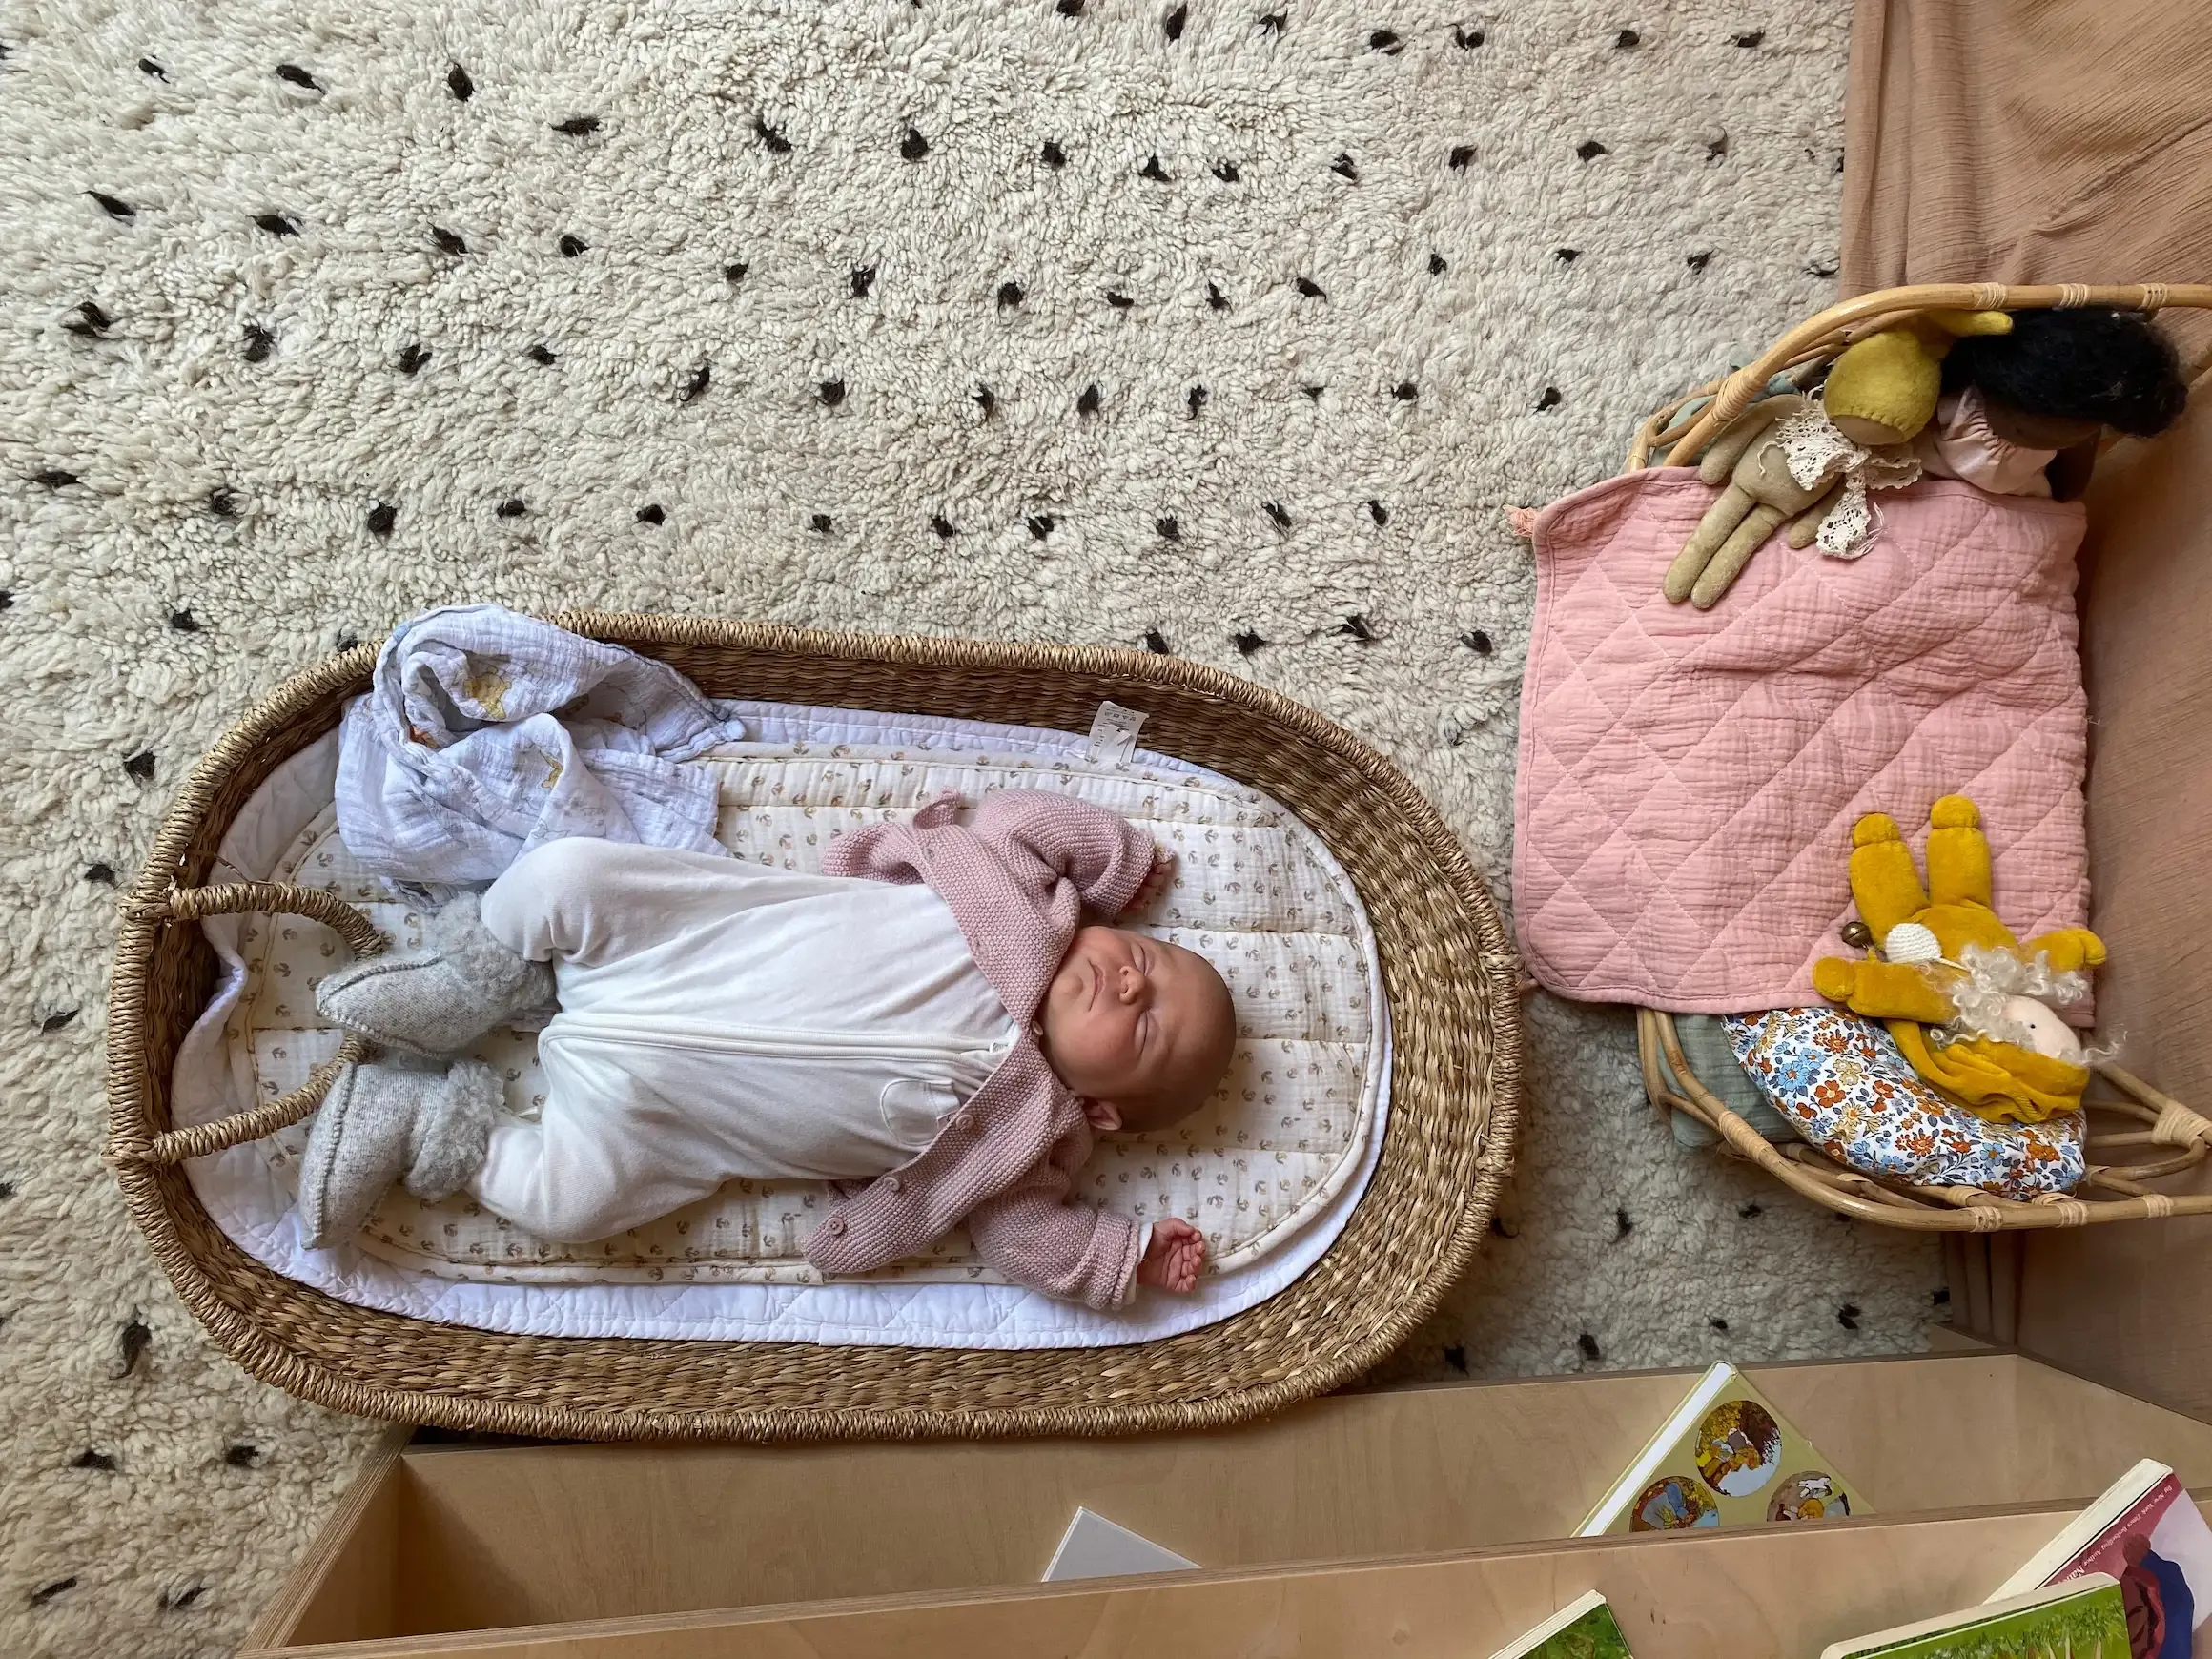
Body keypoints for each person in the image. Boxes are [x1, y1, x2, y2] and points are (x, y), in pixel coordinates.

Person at [297, 789, 1237, 1310]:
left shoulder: (1021, 1151)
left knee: (575, 1201)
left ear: (1104, 1111)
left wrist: (1126, 1254)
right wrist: (1119, 860)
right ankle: (476, 979)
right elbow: (1014, 822)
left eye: (1145, 1022)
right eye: (1145, 960)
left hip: (658, 1120)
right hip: (670, 946)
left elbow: (1028, 1242)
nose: (1126, 981)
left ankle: (427, 1117)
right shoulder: (1017, 905)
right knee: (565, 873)